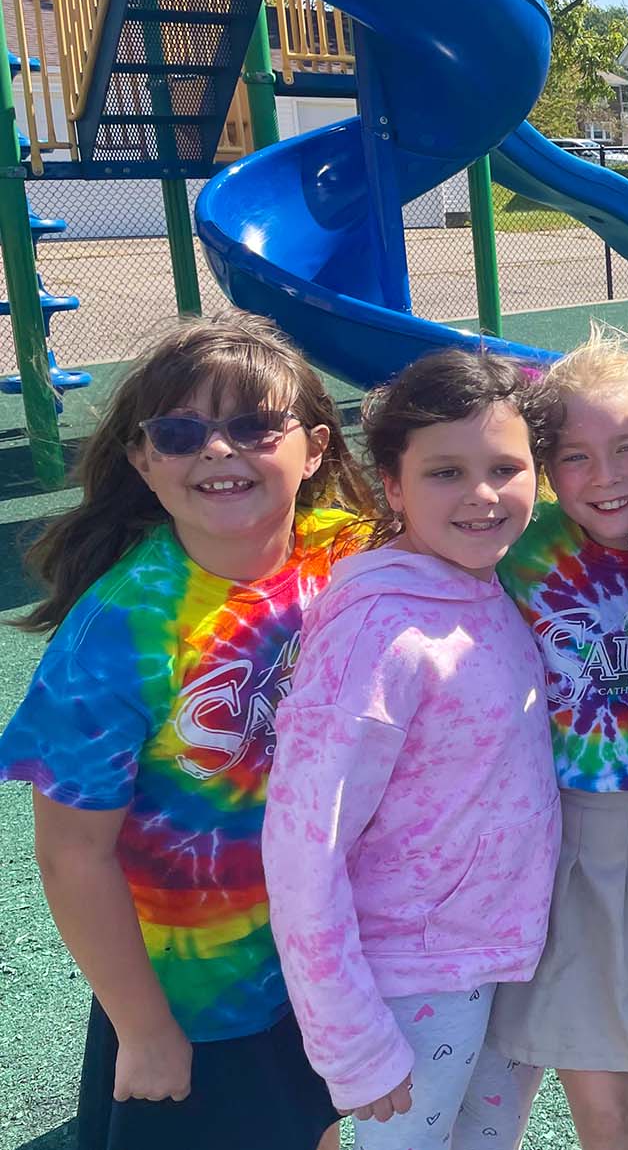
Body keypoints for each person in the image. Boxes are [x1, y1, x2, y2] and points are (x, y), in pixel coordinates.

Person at [0, 314, 372, 1150]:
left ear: (315, 447)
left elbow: (503, 502)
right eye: (179, 433)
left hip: (328, 959)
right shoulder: (118, 635)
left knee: (317, 1126)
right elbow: (72, 856)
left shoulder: (351, 557)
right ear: (142, 460)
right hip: (198, 999)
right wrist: (146, 1030)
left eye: (254, 426)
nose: (217, 450)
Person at [262, 349, 562, 1150]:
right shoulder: (376, 628)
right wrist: (350, 1040)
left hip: (499, 954)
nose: (482, 495)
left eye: (505, 468)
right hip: (410, 978)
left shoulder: (489, 583)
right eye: (445, 473)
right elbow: (305, 841)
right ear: (392, 485)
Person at [489, 333, 628, 1150]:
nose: (607, 476)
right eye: (576, 457)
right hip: (566, 837)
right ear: (546, 467)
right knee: (598, 1072)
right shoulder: (519, 548)